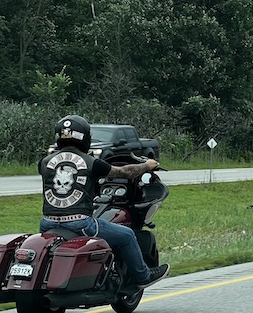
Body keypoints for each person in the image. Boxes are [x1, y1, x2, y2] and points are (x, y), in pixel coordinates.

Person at [40, 115, 170, 289]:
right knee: (127, 235)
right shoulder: (91, 162)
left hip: (47, 223)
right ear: (84, 137)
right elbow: (126, 172)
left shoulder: (44, 162)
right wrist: (147, 165)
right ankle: (143, 276)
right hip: (80, 223)